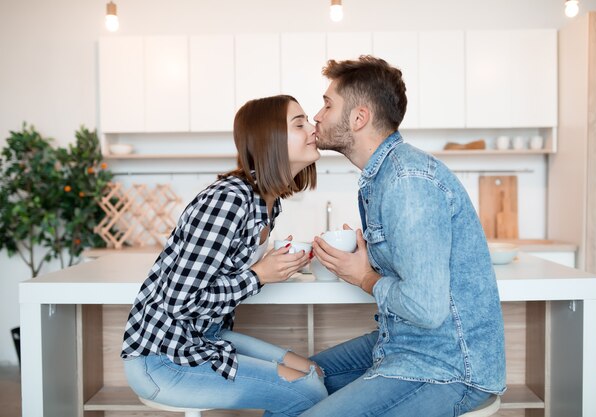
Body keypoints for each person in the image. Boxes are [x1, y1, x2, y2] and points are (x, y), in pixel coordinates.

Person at [304, 56, 506, 416]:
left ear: (358, 117)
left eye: (327, 104)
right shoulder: (383, 177)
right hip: (400, 344)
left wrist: (364, 276)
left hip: (446, 366)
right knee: (290, 389)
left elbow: (426, 309)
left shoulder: (407, 182)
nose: (317, 116)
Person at [121, 95, 327, 416]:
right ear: (268, 139)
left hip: (206, 338)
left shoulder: (267, 202)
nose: (313, 128)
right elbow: (180, 302)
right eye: (299, 124)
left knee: (313, 371)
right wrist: (259, 276)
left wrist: (271, 263)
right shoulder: (229, 200)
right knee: (305, 391)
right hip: (164, 356)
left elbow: (222, 268)